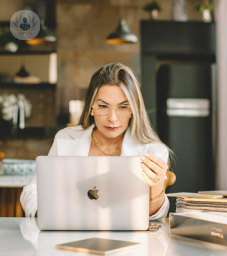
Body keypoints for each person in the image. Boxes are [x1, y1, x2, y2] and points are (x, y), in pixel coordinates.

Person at [20, 63, 175, 219]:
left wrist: (156, 189)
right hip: (69, 235)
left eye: (123, 107)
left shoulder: (153, 151)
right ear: (91, 107)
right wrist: (51, 218)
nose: (112, 119)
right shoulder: (65, 139)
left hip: (128, 239)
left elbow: (154, 217)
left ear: (133, 111)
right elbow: (32, 192)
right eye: (103, 106)